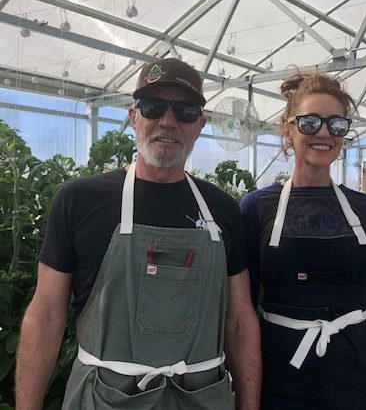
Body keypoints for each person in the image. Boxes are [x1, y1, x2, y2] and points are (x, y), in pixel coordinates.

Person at [16, 58, 261, 410]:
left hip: (203, 399)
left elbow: (239, 320)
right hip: (105, 398)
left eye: (185, 112)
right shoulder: (80, 200)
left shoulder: (221, 209)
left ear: (200, 125)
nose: (168, 121)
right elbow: (46, 314)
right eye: (153, 107)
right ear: (134, 117)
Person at [240, 70, 366, 410]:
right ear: (288, 130)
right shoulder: (256, 208)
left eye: (336, 125)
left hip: (356, 381)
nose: (324, 132)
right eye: (310, 122)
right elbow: (243, 314)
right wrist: (247, 399)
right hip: (280, 381)